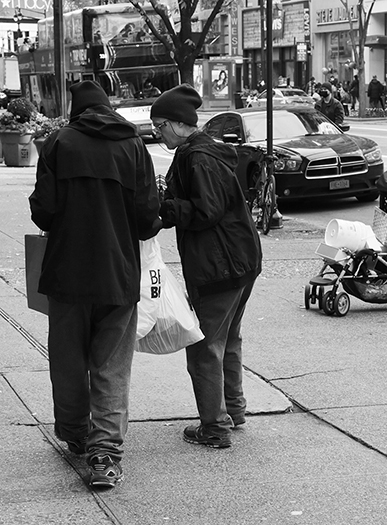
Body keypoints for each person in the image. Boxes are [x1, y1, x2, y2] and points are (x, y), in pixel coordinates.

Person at [29, 80, 160, 489]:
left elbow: (43, 211)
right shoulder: (133, 145)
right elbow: (146, 218)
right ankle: (105, 454)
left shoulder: (57, 144)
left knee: (68, 359)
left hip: (67, 272)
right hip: (117, 273)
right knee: (111, 364)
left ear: (76, 109)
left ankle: (75, 432)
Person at [150, 85, 262, 450]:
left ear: (179, 125)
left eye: (160, 125)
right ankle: (234, 409)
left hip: (219, 265)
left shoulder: (196, 157)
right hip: (240, 261)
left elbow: (206, 210)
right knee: (228, 338)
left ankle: (215, 427)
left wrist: (166, 208)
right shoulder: (207, 152)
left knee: (203, 346)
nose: (158, 132)